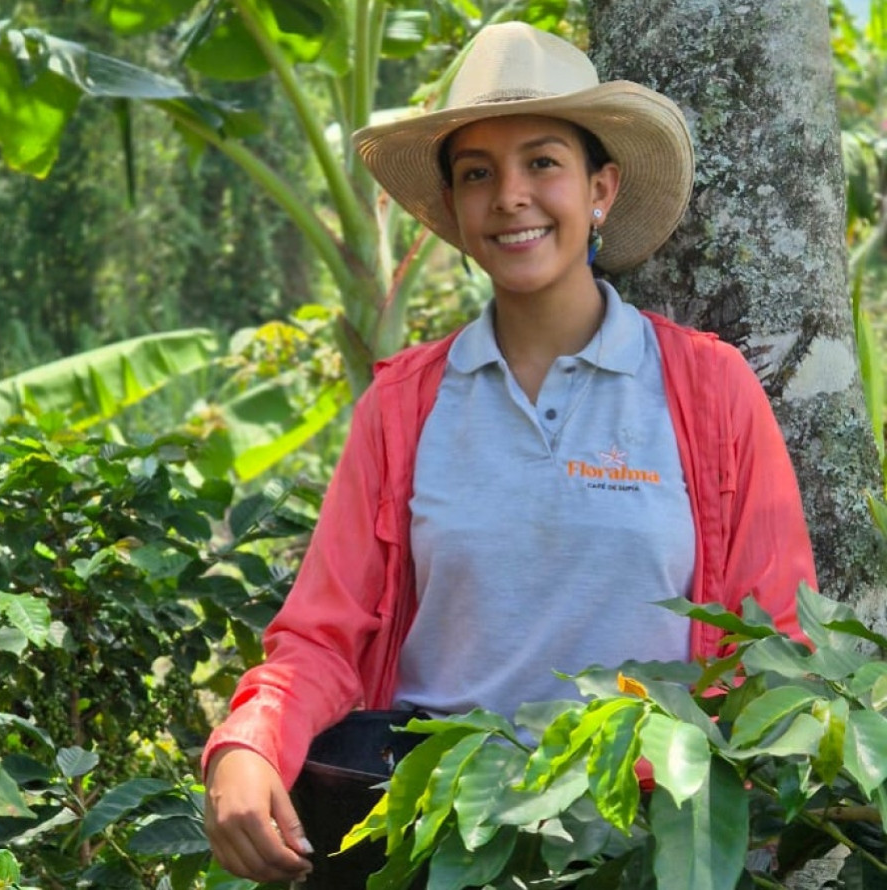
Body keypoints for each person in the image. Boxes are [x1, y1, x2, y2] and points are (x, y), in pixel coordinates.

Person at [202, 20, 817, 886]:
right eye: (476, 174)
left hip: (639, 844)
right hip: (432, 835)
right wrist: (246, 746)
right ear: (453, 206)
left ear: (599, 188)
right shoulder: (404, 405)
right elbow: (324, 637)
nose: (510, 196)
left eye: (542, 163)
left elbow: (772, 644)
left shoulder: (707, 391)